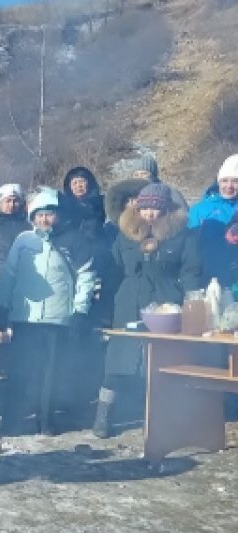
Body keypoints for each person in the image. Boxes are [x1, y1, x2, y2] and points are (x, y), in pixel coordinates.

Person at [95, 183, 203, 437]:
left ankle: (158, 417)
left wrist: (192, 302)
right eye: (145, 208)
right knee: (117, 362)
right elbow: (113, 271)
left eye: (155, 209)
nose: (150, 214)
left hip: (167, 306)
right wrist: (102, 304)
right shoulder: (124, 235)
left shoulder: (182, 236)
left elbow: (191, 272)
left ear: (165, 209)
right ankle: (103, 415)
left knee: (160, 364)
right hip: (128, 304)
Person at [0, 188, 95, 436]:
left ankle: (46, 419)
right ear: (32, 217)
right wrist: (3, 305)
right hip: (25, 316)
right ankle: (12, 419)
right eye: (39, 215)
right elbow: (9, 275)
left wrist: (80, 310)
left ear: (58, 215)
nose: (44, 220)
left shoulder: (73, 240)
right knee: (21, 370)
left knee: (52, 371)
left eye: (49, 214)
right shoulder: (24, 240)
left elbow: (86, 277)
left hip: (57, 316)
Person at [189, 154, 238, 286]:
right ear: (218, 182)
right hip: (210, 277)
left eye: (235, 181)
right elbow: (189, 246)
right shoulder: (200, 210)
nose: (229, 186)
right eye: (224, 180)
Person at [0, 184, 29, 281]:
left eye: (15, 201)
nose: (11, 205)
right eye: (8, 201)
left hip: (24, 279)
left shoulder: (28, 225)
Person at [59, 166, 107, 239]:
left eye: (82, 181)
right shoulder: (64, 207)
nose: (79, 186)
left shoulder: (103, 203)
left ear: (89, 183)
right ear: (69, 187)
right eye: (74, 183)